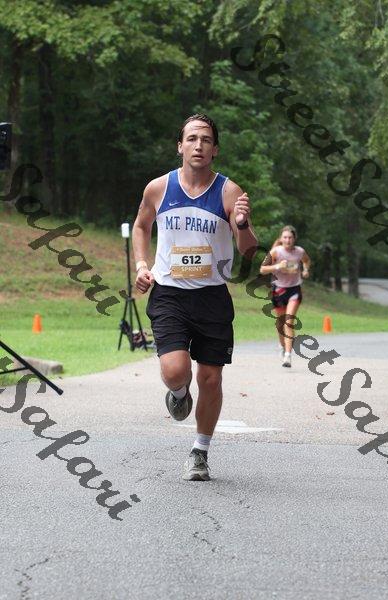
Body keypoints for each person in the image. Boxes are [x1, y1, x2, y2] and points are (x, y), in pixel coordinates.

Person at [132, 114, 257, 481]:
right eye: (191, 138)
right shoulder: (158, 188)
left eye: (206, 140)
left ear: (215, 149)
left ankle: (200, 451)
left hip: (212, 297)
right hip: (169, 294)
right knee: (175, 371)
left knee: (211, 379)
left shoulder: (229, 192)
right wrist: (142, 264)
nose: (198, 145)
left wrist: (242, 224)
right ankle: (178, 390)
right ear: (180, 146)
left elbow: (248, 250)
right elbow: (141, 226)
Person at [259, 225, 311, 367]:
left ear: (294, 239)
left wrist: (305, 270)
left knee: (289, 322)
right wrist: (278, 266)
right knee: (281, 324)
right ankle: (283, 347)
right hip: (279, 291)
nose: (288, 240)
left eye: (290, 237)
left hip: (294, 290)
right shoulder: (276, 252)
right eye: (285, 237)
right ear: (281, 239)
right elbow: (262, 269)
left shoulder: (299, 251)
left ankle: (288, 356)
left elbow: (306, 261)